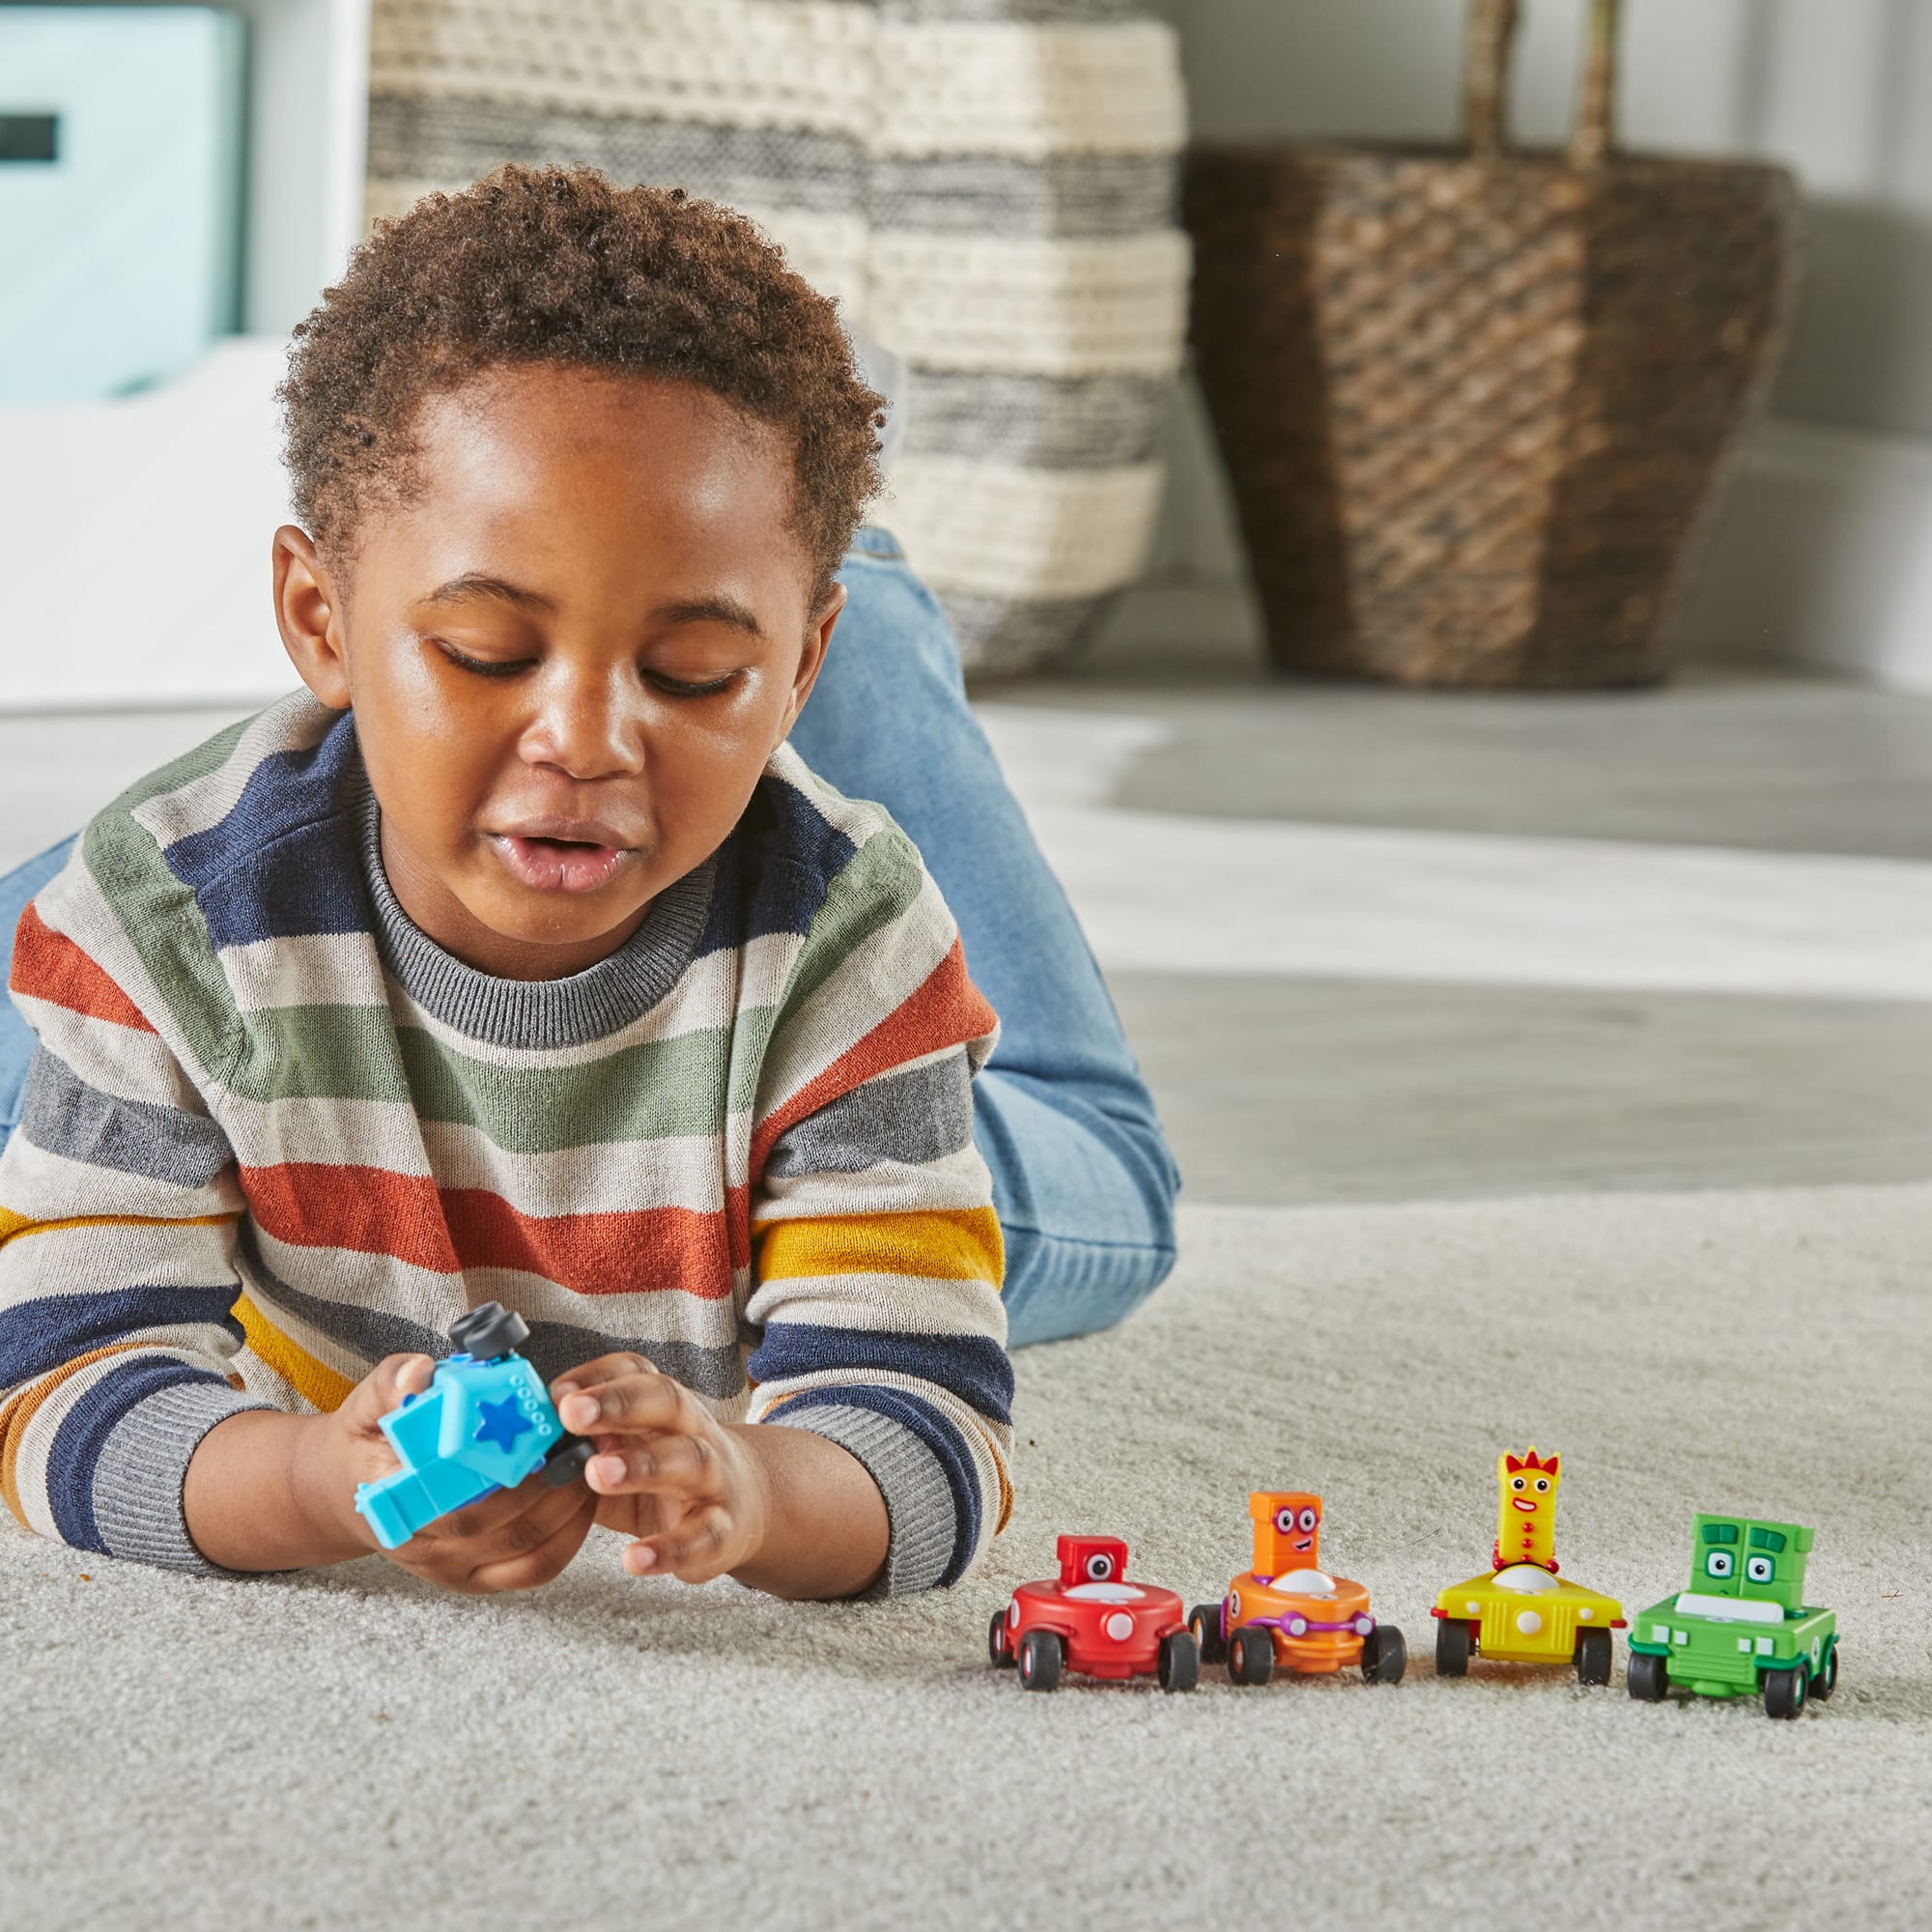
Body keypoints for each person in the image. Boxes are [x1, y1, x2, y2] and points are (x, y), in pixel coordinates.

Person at [0, 167, 1178, 1600]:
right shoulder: (162, 923)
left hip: (758, 1165)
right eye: (489, 650)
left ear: (794, 673)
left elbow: (921, 1429)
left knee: (1096, 1189)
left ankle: (850, 612)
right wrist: (316, 1481)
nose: (587, 740)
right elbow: (58, 1391)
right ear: (317, 619)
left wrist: (758, 1483)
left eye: (692, 672)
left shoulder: (856, 955)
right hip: (285, 955)